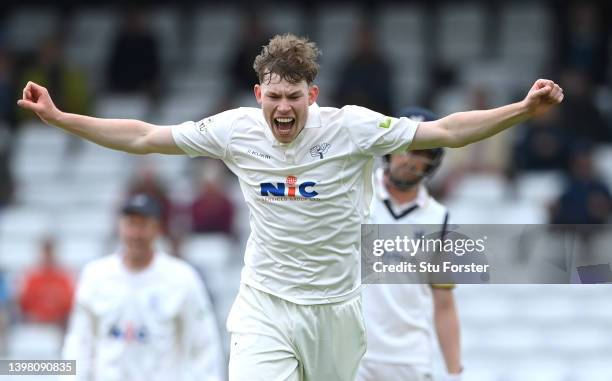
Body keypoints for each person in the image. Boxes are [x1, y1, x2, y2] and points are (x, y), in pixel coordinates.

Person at [19, 33, 563, 381]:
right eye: (274, 96)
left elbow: (445, 129)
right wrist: (63, 118)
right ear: (259, 96)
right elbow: (142, 136)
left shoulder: (352, 127)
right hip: (265, 303)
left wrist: (522, 109)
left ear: (313, 95)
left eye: (294, 96)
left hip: (335, 308)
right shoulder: (233, 130)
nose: (283, 107)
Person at [61, 193, 224, 381]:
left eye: (144, 225)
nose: (136, 234)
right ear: (120, 227)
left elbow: (203, 345)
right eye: (131, 224)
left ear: (157, 229)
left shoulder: (182, 279)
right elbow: (79, 343)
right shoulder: (95, 276)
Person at [357, 108, 461, 381]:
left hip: (411, 359)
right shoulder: (356, 193)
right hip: (353, 353)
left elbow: (444, 301)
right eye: (404, 148)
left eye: (421, 152)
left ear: (432, 161)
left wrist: (454, 372)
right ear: (389, 150)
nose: (409, 159)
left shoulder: (439, 218)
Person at [18, 237, 74, 327]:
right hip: (36, 325)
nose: (48, 256)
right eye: (45, 252)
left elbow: (69, 304)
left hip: (59, 326)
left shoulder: (63, 278)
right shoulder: (32, 278)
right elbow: (24, 304)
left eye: (50, 252)